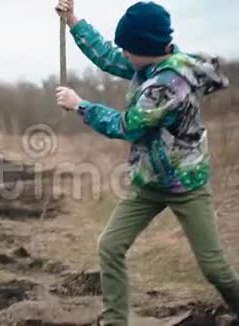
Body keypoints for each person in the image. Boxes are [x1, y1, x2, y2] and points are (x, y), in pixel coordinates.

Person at [54, 0, 239, 325]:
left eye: (129, 48)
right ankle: (115, 321)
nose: (123, 54)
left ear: (146, 48)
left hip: (186, 187)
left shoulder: (170, 84)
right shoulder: (149, 62)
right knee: (110, 246)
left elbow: (128, 125)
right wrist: (73, 21)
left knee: (214, 267)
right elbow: (110, 56)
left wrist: (80, 105)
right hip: (148, 182)